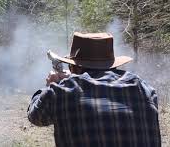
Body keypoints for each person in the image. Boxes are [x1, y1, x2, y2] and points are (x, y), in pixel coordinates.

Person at [27, 32, 161, 147]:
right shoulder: (143, 88)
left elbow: (36, 116)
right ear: (112, 65)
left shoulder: (61, 92)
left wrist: (52, 85)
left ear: (75, 68)